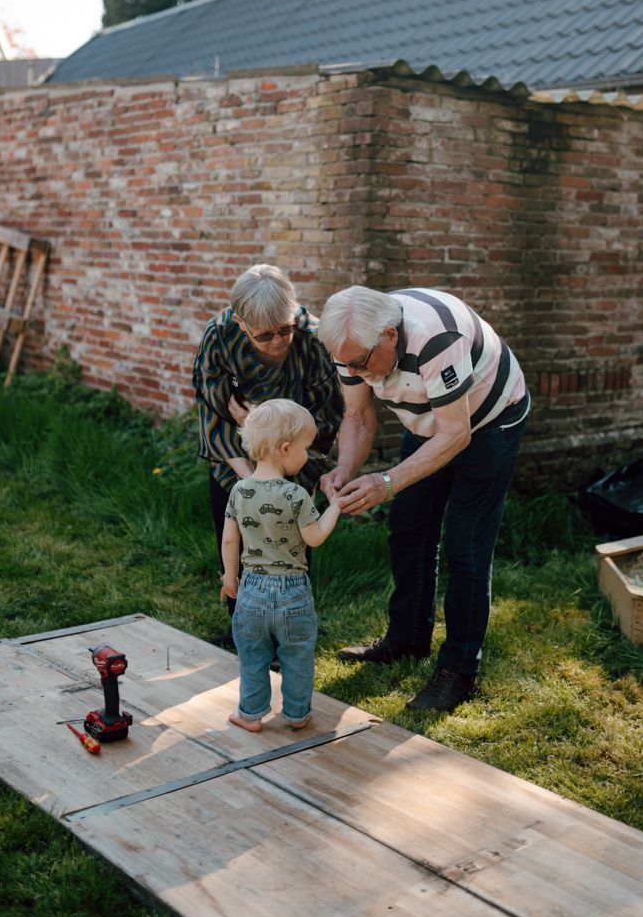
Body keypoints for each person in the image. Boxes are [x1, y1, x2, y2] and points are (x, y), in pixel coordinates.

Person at [318, 285, 529, 713]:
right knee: (409, 528)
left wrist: (387, 482)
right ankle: (407, 638)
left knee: (466, 546)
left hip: (490, 423)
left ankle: (459, 670)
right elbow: (357, 415)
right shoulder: (352, 344)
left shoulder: (437, 339)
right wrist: (345, 470)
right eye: (347, 363)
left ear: (391, 337)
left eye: (361, 363)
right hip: (434, 418)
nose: (356, 371)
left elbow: (458, 434)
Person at [193, 264, 343, 648]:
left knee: (294, 550)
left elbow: (328, 413)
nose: (278, 341)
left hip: (298, 462)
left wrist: (288, 472)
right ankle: (245, 631)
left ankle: (291, 632)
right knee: (237, 546)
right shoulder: (219, 337)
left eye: (285, 329)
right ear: (242, 324)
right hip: (237, 465)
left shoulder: (313, 337)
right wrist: (251, 481)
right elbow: (213, 412)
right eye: (264, 335)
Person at [221, 399, 342, 732]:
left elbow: (230, 539)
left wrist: (229, 577)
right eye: (305, 448)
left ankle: (250, 714)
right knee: (298, 656)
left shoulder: (239, 491)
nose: (308, 455)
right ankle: (297, 714)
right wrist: (335, 507)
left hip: (251, 590)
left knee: (252, 657)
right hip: (292, 592)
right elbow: (314, 537)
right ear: (285, 448)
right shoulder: (296, 495)